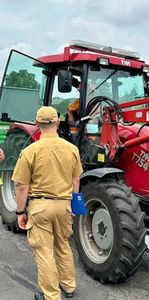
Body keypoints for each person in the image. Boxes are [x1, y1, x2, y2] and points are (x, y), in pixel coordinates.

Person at [12, 106, 83, 300]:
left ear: (37, 123)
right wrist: (73, 207)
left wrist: (20, 213)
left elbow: (22, 187)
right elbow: (76, 180)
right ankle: (68, 287)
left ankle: (51, 295)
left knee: (44, 251)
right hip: (64, 205)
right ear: (58, 122)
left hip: (40, 207)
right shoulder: (72, 149)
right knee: (63, 245)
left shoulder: (29, 151)